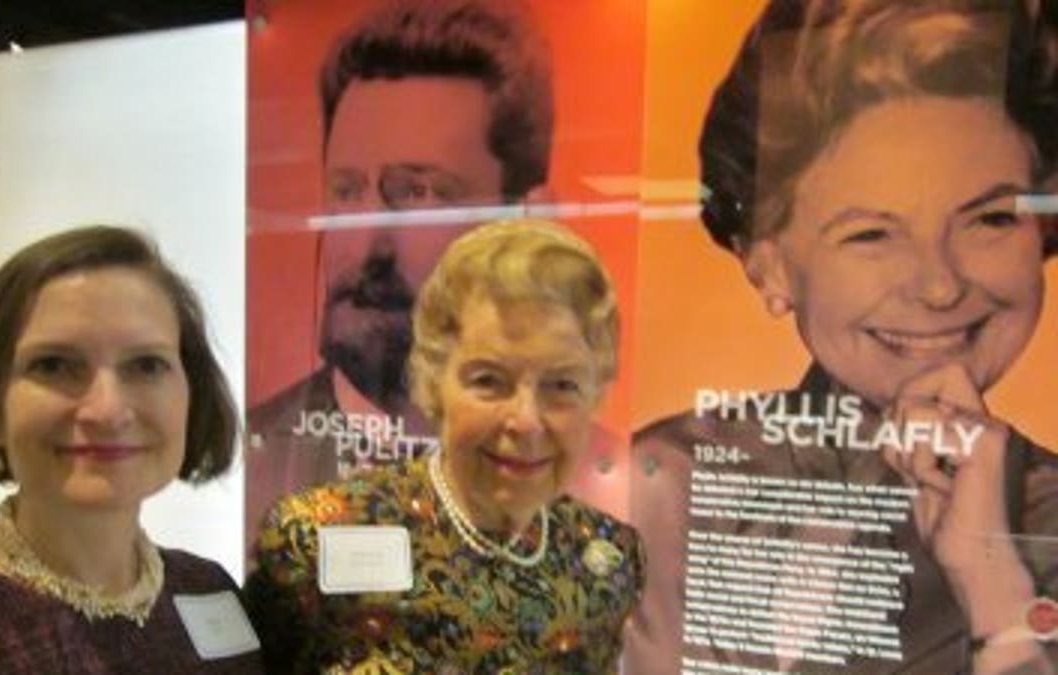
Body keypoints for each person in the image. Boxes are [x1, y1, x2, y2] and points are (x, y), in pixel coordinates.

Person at [630, 1, 1058, 673]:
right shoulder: (668, 474)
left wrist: (995, 590)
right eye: (871, 234)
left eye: (989, 219)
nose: (939, 286)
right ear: (769, 264)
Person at [244, 219, 643, 673]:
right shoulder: (311, 539)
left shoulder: (607, 558)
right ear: (434, 380)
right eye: (489, 381)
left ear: (596, 393)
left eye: (562, 385)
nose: (526, 421)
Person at [0, 226, 263, 673]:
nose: (107, 410)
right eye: (54, 365)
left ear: (192, 393)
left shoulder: (207, 589)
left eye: (146, 365)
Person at [246, 0, 556, 529]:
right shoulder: (249, 457)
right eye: (347, 191)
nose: (366, 243)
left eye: (418, 191)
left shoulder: (571, 468)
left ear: (521, 221)